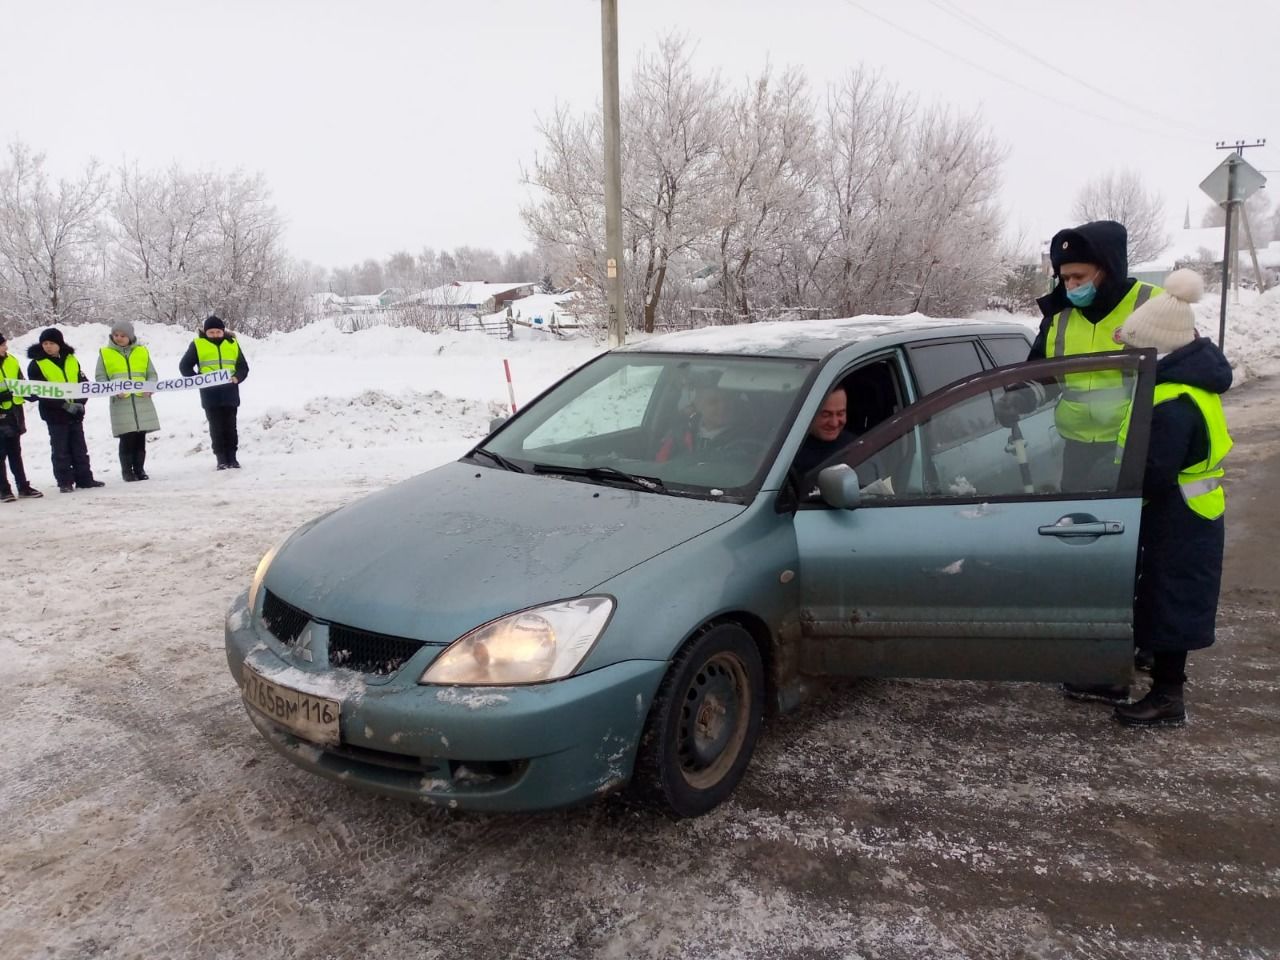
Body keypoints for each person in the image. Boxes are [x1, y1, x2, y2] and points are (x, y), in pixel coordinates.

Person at [1105, 269, 1231, 725]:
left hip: (1178, 513)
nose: (1131, 355)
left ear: (1157, 348)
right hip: (1189, 508)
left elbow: (1155, 471)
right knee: (1168, 593)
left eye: (1137, 348)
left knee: (1170, 597)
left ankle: (1167, 698)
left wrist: (1114, 490)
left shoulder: (1173, 400)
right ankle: (1161, 676)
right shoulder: (1186, 380)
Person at [996, 220, 1163, 491]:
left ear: (1107, 270)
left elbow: (1186, 373)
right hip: (1076, 449)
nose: (1071, 286)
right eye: (1065, 279)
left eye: (1079, 277)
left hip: (1138, 448)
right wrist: (1020, 397)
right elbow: (1042, 374)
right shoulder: (1059, 316)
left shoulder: (1152, 306)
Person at [25, 327, 104, 493]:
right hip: (55, 413)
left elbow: (83, 383)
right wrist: (64, 405)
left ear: (59, 344)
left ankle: (84, 479)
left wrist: (81, 403)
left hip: (75, 412)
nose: (48, 346)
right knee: (60, 450)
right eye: (45, 343)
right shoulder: (36, 364)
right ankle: (65, 481)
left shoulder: (71, 360)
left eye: (51, 343)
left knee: (79, 447)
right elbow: (41, 391)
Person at [180, 315, 249, 470]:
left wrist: (237, 378)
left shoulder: (232, 344)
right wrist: (198, 379)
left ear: (223, 331)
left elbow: (243, 367)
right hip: (210, 395)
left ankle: (233, 458)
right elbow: (185, 367)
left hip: (230, 392)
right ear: (206, 332)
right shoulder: (198, 344)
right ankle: (221, 459)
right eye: (211, 332)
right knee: (216, 427)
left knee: (231, 427)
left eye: (218, 332)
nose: (215, 335)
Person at [95, 320, 160, 482]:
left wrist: (149, 387)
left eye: (123, 335)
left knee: (140, 439)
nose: (119, 338)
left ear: (130, 337)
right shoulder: (105, 353)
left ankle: (140, 469)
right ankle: (127, 471)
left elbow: (151, 374)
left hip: (142, 402)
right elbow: (100, 378)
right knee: (127, 438)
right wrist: (114, 390)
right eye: (116, 335)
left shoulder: (142, 352)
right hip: (121, 403)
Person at [656, 381, 749, 462]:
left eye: (727, 400)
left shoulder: (746, 440)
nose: (723, 407)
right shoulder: (679, 434)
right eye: (713, 402)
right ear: (698, 406)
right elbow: (661, 468)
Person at [0, 331, 43, 501]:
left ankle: (23, 486)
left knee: (15, 452)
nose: (6, 347)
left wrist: (30, 393)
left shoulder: (11, 360)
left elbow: (20, 382)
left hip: (13, 413)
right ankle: (3, 489)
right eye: (2, 345)